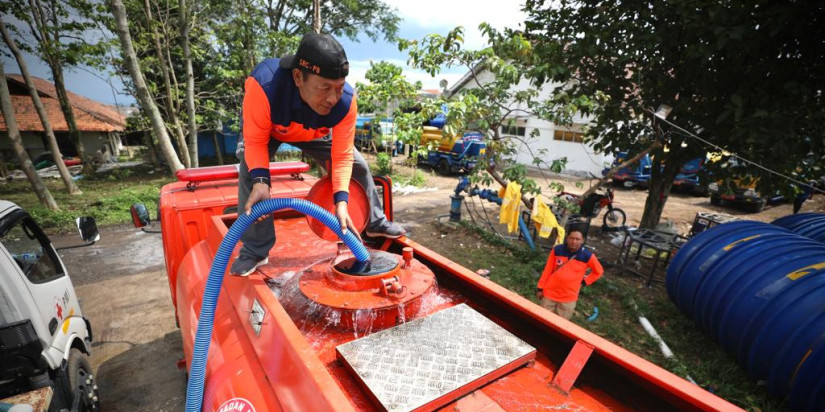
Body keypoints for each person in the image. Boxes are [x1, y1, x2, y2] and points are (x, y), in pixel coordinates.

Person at [230, 32, 406, 276]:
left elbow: (342, 155)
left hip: (313, 133)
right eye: (324, 88)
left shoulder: (345, 102)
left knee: (358, 165)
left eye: (339, 88)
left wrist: (341, 202)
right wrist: (261, 181)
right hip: (268, 131)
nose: (333, 98)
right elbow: (256, 141)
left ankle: (374, 223)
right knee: (251, 174)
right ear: (298, 77)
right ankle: (255, 250)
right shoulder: (265, 85)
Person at [536, 229, 603, 320]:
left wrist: (584, 282)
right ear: (567, 238)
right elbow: (547, 270)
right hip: (549, 293)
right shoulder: (557, 250)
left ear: (582, 240)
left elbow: (598, 271)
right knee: (542, 320)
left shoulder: (587, 256)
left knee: (560, 325)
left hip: (568, 298)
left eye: (577, 239)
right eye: (571, 238)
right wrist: (540, 288)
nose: (574, 241)